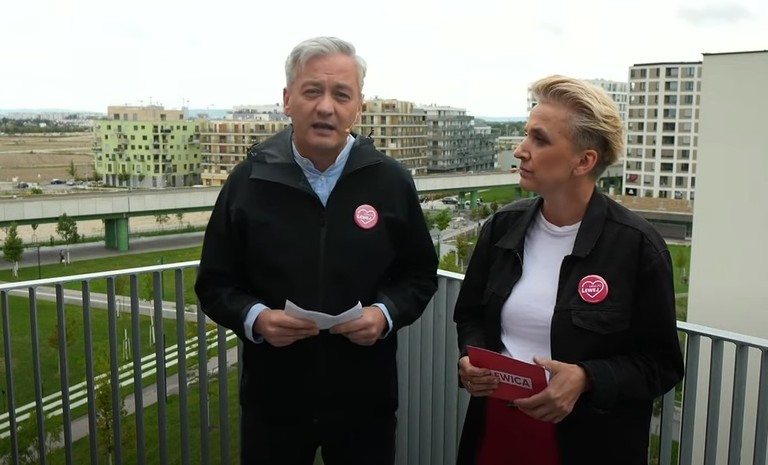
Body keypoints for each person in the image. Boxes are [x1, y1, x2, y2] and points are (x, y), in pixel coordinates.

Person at [195, 36, 438, 465]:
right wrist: (256, 318)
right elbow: (215, 283)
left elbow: (418, 274)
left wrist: (384, 315)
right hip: (274, 405)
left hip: (365, 404)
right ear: (288, 99)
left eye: (341, 95)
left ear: (358, 106)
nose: (326, 107)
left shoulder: (391, 182)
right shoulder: (248, 181)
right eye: (312, 91)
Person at [453, 75, 684, 465]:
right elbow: (470, 315)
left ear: (584, 161)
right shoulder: (502, 228)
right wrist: (469, 360)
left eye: (539, 139)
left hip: (589, 443)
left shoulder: (636, 247)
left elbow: (661, 365)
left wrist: (587, 378)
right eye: (525, 134)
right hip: (497, 429)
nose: (520, 150)